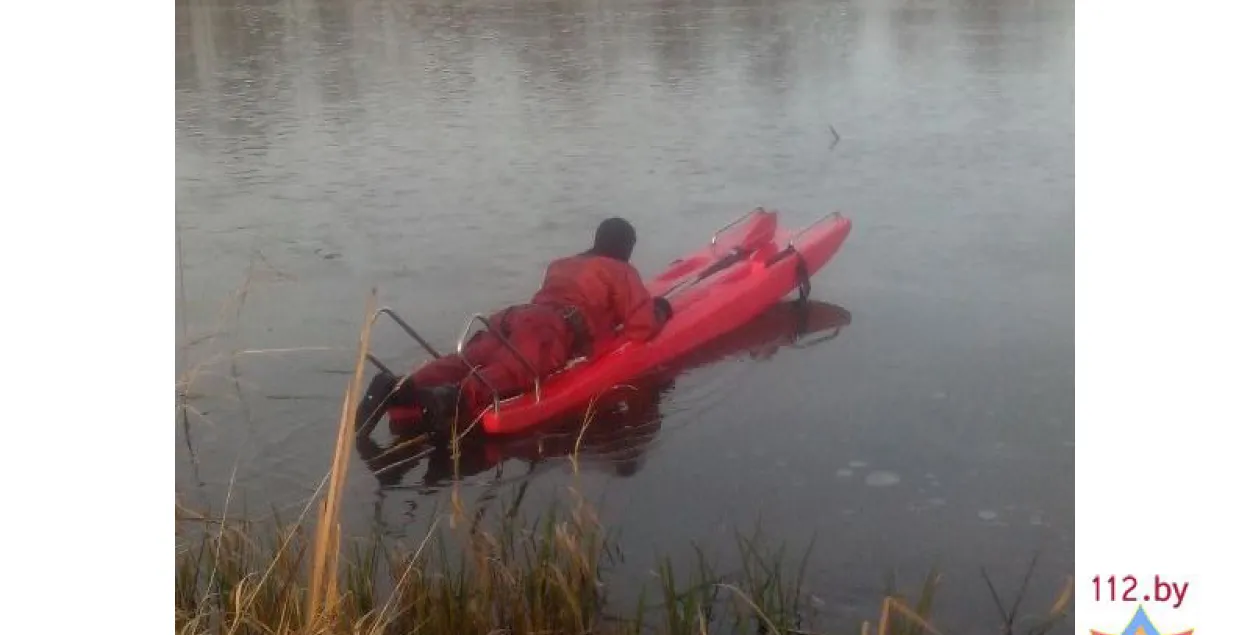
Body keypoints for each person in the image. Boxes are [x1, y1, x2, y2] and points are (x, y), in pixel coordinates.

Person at [356, 217, 673, 437]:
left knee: (468, 358)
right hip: (549, 328)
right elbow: (641, 328)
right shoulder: (619, 270)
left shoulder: (563, 263)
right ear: (625, 249)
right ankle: (450, 398)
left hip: (515, 316)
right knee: (513, 370)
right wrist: (660, 310)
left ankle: (400, 387)